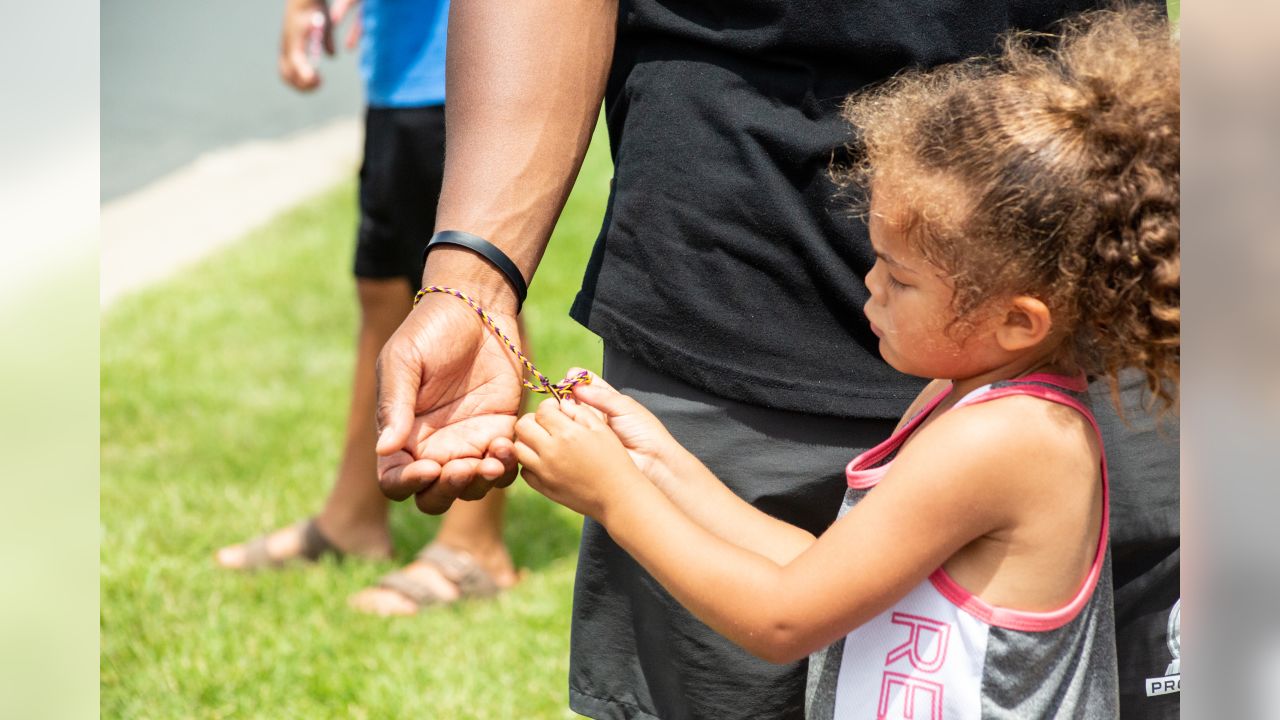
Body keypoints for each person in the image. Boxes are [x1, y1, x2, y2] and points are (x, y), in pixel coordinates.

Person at [374, 0, 1179, 717]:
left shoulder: (1010, 441)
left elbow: (787, 616)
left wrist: (617, 497)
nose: (867, 286)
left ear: (1018, 319)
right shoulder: (968, 404)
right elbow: (834, 569)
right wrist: (659, 462)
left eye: (900, 278)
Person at [215, 0, 523, 616]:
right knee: (384, 289)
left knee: (470, 291)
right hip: (397, 70)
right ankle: (353, 518)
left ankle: (474, 545)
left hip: (463, 64)